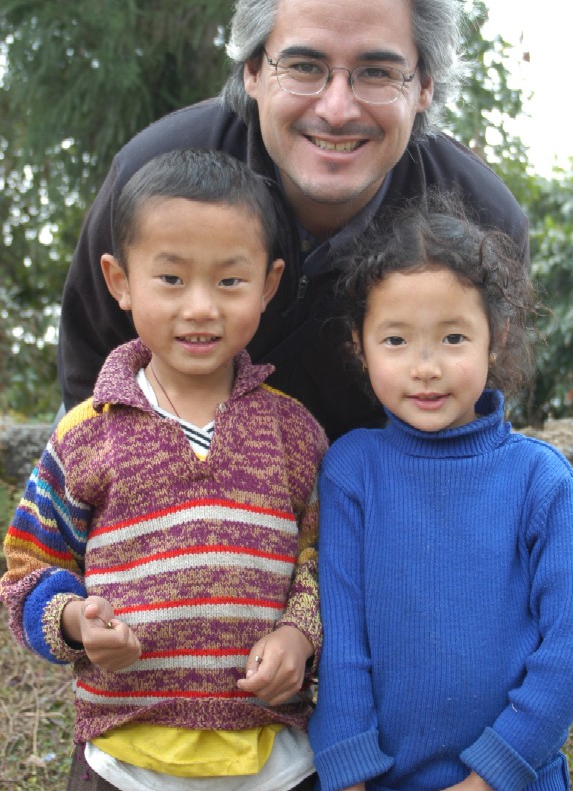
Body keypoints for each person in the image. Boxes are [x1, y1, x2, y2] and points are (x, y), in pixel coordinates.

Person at [57, 0, 529, 442]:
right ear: (253, 70)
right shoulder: (153, 178)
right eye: (304, 66)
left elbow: (473, 422)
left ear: (423, 87)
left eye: (377, 72)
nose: (336, 108)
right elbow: (89, 376)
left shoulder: (480, 217)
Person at [1, 149, 328, 791]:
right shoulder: (85, 434)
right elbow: (24, 573)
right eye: (171, 279)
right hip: (124, 762)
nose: (201, 307)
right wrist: (75, 622)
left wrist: (299, 632)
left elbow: (321, 560)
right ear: (120, 281)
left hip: (276, 761)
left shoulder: (296, 433)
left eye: (230, 282)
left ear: (268, 283)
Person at [307, 197, 573, 790]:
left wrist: (489, 777)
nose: (425, 367)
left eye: (453, 338)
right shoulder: (352, 471)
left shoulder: (539, 480)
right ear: (358, 347)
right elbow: (340, 641)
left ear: (496, 338)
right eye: (395, 340)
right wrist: (349, 772)